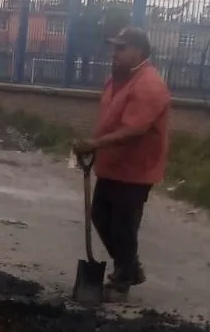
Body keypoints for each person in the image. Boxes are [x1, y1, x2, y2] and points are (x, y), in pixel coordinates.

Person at [73, 27, 171, 303]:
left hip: (136, 169)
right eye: (113, 48)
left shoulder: (148, 85)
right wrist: (93, 144)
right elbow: (110, 119)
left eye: (121, 48)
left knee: (124, 225)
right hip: (113, 164)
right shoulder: (117, 79)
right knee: (101, 216)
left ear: (139, 51)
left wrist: (96, 144)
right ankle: (130, 266)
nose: (114, 54)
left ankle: (122, 280)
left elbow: (135, 130)